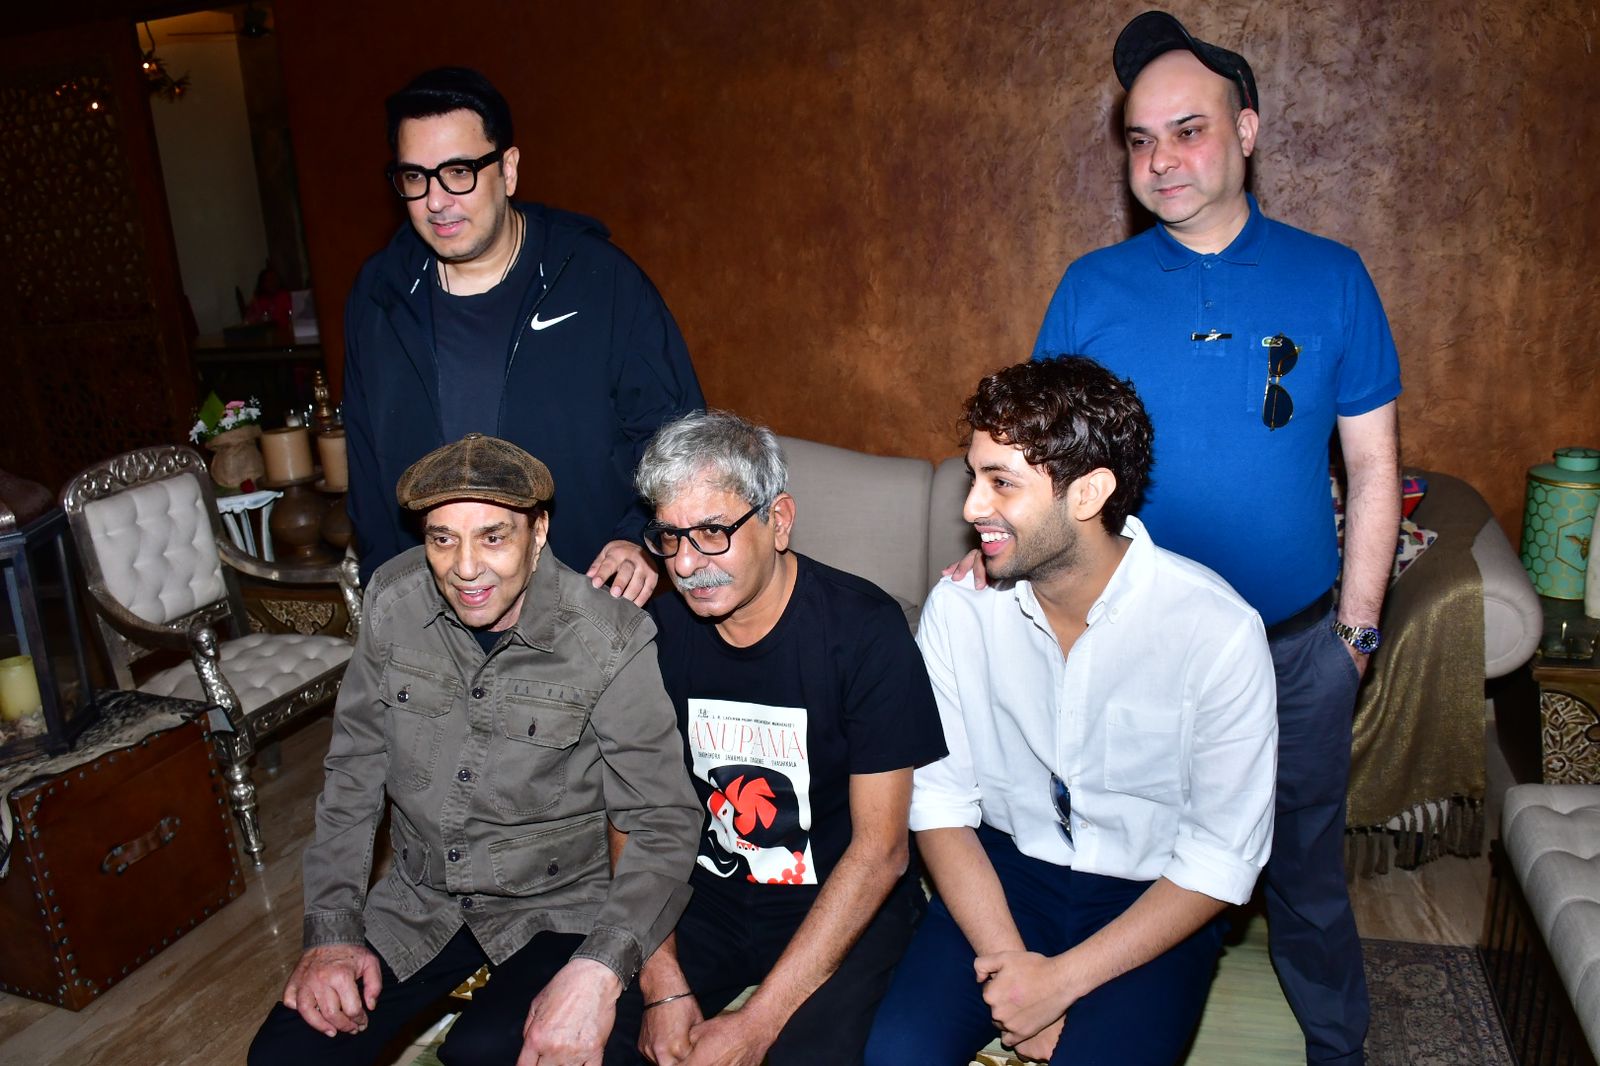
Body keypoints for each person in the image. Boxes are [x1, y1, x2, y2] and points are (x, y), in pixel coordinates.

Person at [1023, 13, 1403, 1062]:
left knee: (1305, 875)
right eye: (1140, 140)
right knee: (1127, 860)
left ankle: (1337, 1048)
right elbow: (1042, 467)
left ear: (1246, 132)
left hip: (1295, 647)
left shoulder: (1332, 277)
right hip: (1134, 646)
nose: (1161, 160)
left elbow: (1373, 468)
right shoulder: (1090, 288)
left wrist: (1355, 635)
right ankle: (1104, 1027)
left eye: (1187, 132)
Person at [867, 357, 1278, 1065]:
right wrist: (1010, 971)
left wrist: (1059, 984)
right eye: (973, 477)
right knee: (896, 1056)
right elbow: (939, 804)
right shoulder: (961, 611)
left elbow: (1221, 856)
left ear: (1088, 493)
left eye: (1001, 482)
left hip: (1150, 894)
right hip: (1005, 875)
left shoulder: (1217, 631)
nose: (970, 507)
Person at [247, 433, 701, 1066]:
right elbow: (353, 770)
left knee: (485, 1053)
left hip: (559, 905)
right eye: (442, 539)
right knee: (285, 1055)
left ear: (539, 532)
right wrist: (331, 933)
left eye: (493, 537)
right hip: (421, 897)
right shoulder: (393, 600)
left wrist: (603, 964)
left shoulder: (609, 636)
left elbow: (662, 817)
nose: (465, 567)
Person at [607, 410, 947, 1066]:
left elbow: (881, 852)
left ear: (779, 520)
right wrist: (661, 982)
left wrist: (758, 1024)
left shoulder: (865, 631)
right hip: (701, 899)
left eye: (713, 532)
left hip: (840, 902)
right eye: (669, 537)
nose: (686, 563)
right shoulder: (653, 633)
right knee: (589, 1038)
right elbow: (633, 817)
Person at [342, 66, 704, 604]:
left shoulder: (597, 278)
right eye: (415, 177)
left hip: (585, 604)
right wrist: (386, 594)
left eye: (459, 172)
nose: (436, 201)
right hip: (436, 613)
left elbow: (679, 437)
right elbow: (366, 466)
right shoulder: (379, 294)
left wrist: (641, 538)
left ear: (508, 169)